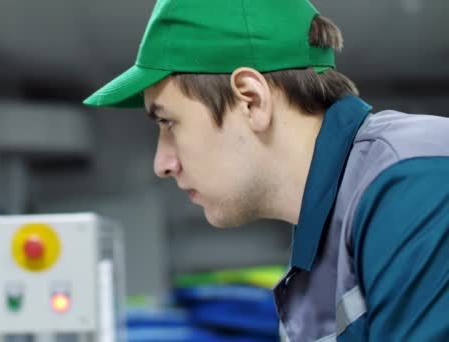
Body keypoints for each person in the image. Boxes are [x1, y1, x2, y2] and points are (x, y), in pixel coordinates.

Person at [83, 0, 449, 340]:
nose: (162, 164)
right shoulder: (319, 257)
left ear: (251, 100)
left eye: (168, 122)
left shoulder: (413, 182)